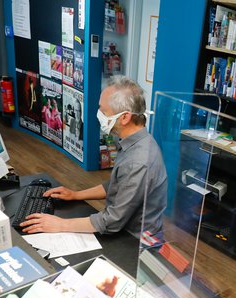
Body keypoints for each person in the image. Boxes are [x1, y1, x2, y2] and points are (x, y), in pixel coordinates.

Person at [21, 75, 168, 237]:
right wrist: (75, 194)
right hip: (124, 228)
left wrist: (60, 224)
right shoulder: (135, 141)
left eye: (104, 111)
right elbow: (116, 184)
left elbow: (112, 221)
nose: (99, 115)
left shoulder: (138, 162)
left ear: (125, 117)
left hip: (134, 242)